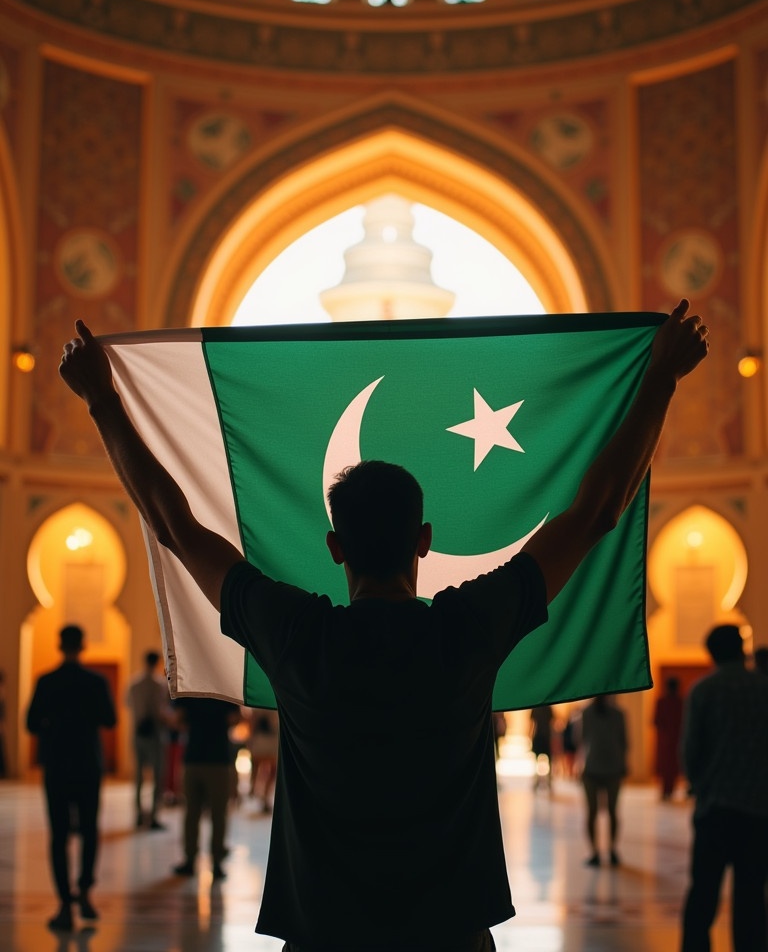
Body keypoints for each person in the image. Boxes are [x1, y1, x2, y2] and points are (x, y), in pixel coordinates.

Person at [58, 299, 708, 950]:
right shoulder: (467, 629)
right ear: (424, 539)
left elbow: (174, 527)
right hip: (449, 932)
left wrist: (102, 400)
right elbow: (595, 512)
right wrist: (660, 378)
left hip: (323, 932)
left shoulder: (297, 635)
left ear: (335, 547)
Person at [680, 624, 768, 952]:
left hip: (716, 810)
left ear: (713, 654)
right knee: (751, 898)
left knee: (703, 896)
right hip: (758, 812)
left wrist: (701, 786)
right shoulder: (763, 687)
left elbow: (691, 751)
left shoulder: (705, 690)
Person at [26, 625, 116, 932]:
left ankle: (65, 903)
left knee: (59, 833)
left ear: (59, 645)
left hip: (57, 766)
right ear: (84, 645)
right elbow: (110, 719)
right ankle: (85, 892)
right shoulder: (96, 682)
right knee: (89, 830)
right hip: (88, 764)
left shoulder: (47, 681)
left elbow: (30, 723)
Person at [171, 697, 241, 880]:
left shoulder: (190, 689)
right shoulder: (223, 687)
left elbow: (178, 720)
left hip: (195, 756)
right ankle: (216, 862)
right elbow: (236, 718)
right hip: (218, 758)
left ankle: (190, 859)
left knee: (192, 813)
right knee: (218, 814)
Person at [579, 694, 627, 867]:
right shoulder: (588, 714)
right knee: (595, 812)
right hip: (594, 768)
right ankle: (596, 851)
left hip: (608, 768)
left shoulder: (617, 714)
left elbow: (624, 741)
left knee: (610, 812)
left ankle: (610, 849)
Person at [125, 649, 169, 829]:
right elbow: (161, 711)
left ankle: (137, 813)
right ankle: (153, 815)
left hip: (137, 733)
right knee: (157, 776)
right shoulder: (159, 684)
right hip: (155, 734)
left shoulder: (134, 683)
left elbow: (127, 704)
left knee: (138, 776)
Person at [653, 675, 683, 800]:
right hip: (675, 739)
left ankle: (667, 791)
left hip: (666, 739)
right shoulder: (680, 702)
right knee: (671, 766)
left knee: (667, 767)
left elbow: (656, 721)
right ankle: (668, 790)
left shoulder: (662, 701)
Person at [529, 704, 554, 791]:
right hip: (545, 736)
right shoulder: (548, 708)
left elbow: (532, 724)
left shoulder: (536, 707)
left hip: (540, 736)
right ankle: (547, 782)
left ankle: (540, 781)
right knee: (547, 761)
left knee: (537, 760)